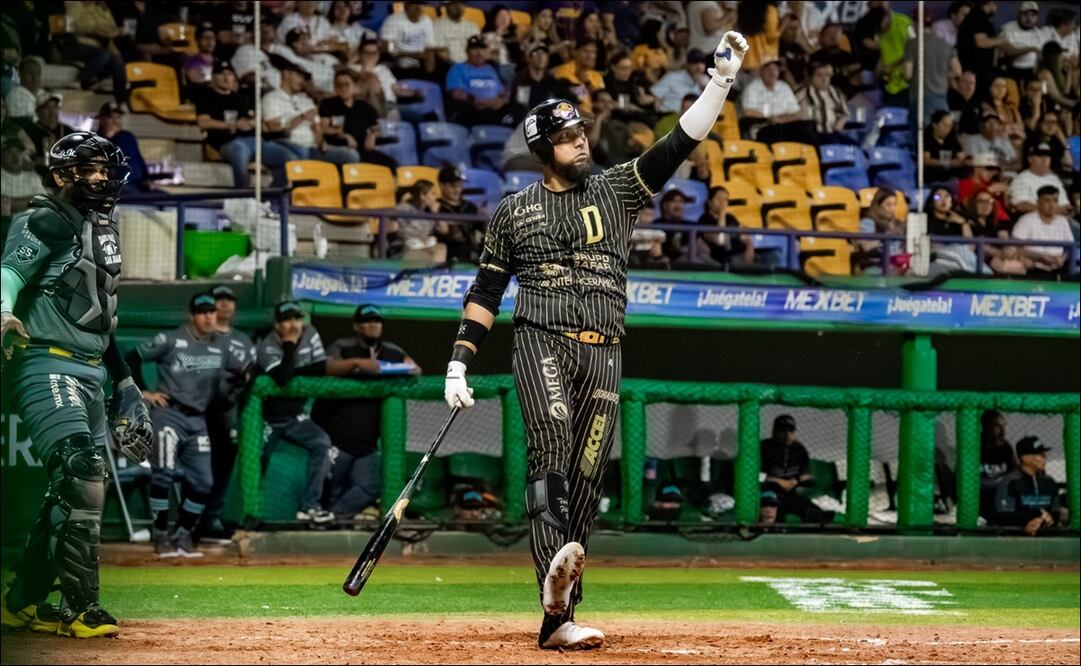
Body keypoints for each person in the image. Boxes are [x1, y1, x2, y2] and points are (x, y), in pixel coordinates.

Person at [442, 31, 749, 650]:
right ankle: (552, 588)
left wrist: (718, 83)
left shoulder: (617, 191)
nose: (580, 141)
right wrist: (458, 363)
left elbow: (679, 143)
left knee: (586, 478)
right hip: (542, 340)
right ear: (543, 150)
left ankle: (559, 615)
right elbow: (485, 293)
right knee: (550, 456)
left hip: (604, 348)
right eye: (566, 138)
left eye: (581, 133)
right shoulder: (513, 212)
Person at [0, 131, 152, 638]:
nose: (102, 178)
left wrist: (125, 382)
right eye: (90, 169)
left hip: (91, 367)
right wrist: (2, 310)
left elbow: (100, 317)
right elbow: (8, 272)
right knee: (83, 470)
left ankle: (20, 601)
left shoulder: (102, 226)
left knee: (69, 488)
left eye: (107, 169)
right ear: (63, 174)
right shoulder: (43, 218)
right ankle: (80, 608)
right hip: (45, 362)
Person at [126, 294, 244, 558]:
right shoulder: (170, 339)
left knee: (204, 482)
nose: (209, 316)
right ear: (191, 316)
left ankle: (184, 534)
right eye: (202, 312)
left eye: (212, 311)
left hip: (198, 419)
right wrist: (143, 391)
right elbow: (131, 356)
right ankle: (161, 535)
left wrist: (242, 378)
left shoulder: (222, 347)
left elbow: (240, 372)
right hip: (169, 414)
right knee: (164, 474)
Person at [312, 304, 419, 521]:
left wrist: (383, 367)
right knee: (329, 488)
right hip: (337, 439)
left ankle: (335, 517)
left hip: (368, 442)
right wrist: (357, 364)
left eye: (376, 321)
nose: (372, 326)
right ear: (357, 326)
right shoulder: (343, 347)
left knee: (370, 487)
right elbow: (325, 367)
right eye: (367, 322)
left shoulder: (391, 351)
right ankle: (324, 517)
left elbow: (415, 369)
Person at [256, 301, 335, 525]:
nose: (293, 325)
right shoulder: (266, 346)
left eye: (297, 319)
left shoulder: (310, 333)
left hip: (295, 415)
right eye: (287, 320)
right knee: (257, 458)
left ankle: (309, 506)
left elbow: (321, 368)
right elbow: (281, 379)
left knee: (322, 443)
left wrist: (292, 371)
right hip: (266, 417)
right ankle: (250, 512)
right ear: (276, 324)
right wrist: (289, 345)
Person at [200, 284, 255, 543]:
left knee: (222, 469)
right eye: (218, 299)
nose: (224, 304)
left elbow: (252, 374)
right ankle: (195, 520)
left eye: (228, 299)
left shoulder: (243, 340)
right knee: (199, 469)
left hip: (231, 411)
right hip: (202, 412)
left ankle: (212, 518)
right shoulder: (201, 336)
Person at [194, 60, 297, 189]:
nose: (226, 78)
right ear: (214, 77)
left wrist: (254, 123)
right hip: (227, 142)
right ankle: (242, 198)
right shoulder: (206, 96)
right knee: (240, 154)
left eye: (229, 74)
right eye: (221, 74)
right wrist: (233, 125)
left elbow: (247, 120)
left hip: (253, 140)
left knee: (290, 158)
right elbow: (203, 123)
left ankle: (272, 198)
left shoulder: (240, 99)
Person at [262, 59, 359, 166]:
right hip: (287, 144)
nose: (302, 81)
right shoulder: (271, 98)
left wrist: (321, 142)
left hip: (312, 148)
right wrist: (302, 117)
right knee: (301, 153)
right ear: (286, 74)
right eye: (299, 76)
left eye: (303, 78)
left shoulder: (306, 100)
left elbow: (316, 127)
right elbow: (274, 129)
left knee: (350, 155)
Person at [758, 414, 832, 526]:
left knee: (814, 513)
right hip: (769, 491)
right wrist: (778, 481)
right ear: (774, 431)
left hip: (791, 492)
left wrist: (795, 481)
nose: (787, 435)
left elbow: (808, 475)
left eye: (791, 431)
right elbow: (753, 474)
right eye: (782, 430)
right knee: (774, 512)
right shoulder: (763, 447)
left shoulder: (799, 449)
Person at [319, 69, 398, 171]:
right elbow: (324, 128)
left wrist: (372, 135)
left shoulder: (365, 107)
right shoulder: (328, 104)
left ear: (355, 86)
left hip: (363, 149)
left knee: (391, 165)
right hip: (340, 147)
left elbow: (376, 128)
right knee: (353, 157)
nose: (342, 88)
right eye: (338, 85)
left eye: (346, 84)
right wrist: (345, 136)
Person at [992, 436, 1062, 535]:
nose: (1045, 458)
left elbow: (1055, 512)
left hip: (1045, 533)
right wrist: (1032, 519)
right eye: (1040, 455)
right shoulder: (1010, 482)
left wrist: (1044, 519)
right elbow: (1004, 515)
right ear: (1026, 458)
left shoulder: (1049, 482)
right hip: (1014, 537)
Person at [446, 35, 517, 128]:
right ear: (467, 51)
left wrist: (502, 101)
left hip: (495, 109)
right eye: (474, 49)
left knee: (519, 111)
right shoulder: (458, 68)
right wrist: (476, 100)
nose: (479, 53)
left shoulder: (490, 69)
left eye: (482, 48)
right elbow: (456, 93)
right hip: (473, 109)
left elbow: (502, 93)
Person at [1011, 185, 1075, 275]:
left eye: (1055, 201)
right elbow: (1015, 247)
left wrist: (1062, 259)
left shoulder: (1063, 221)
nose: (1051, 205)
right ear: (1038, 203)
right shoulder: (1026, 219)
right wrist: (1040, 256)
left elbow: (1070, 246)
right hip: (1033, 268)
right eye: (1047, 200)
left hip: (1058, 268)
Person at [740, 56, 803, 143]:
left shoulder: (784, 87)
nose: (772, 72)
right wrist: (771, 118)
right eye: (768, 68)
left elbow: (796, 113)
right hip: (762, 129)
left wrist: (781, 119)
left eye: (775, 68)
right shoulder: (753, 88)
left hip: (785, 128)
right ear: (761, 71)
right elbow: (748, 112)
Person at [95, 102, 153, 193]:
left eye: (118, 117)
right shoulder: (95, 141)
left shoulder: (127, 137)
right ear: (102, 120)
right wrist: (109, 137)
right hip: (116, 188)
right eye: (111, 117)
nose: (116, 122)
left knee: (166, 198)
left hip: (138, 185)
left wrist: (147, 179)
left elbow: (139, 161)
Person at [698, 185, 754, 270]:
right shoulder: (705, 220)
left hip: (742, 255)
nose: (722, 202)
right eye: (719, 199)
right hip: (724, 259)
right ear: (709, 202)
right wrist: (722, 215)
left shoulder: (731, 217)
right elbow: (720, 240)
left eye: (725, 199)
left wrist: (750, 249)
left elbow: (744, 237)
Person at [796, 60, 851, 143]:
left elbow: (845, 113)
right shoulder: (803, 92)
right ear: (811, 77)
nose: (824, 79)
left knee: (854, 146)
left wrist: (839, 125)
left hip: (833, 132)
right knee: (834, 144)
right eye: (819, 75)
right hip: (813, 134)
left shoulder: (836, 92)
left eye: (827, 75)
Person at [925, 187, 978, 273]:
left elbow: (970, 248)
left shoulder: (961, 219)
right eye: (937, 197)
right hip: (938, 261)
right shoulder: (925, 220)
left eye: (947, 196)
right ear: (932, 202)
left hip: (962, 259)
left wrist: (963, 223)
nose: (943, 200)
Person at [434, 164, 481, 263]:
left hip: (472, 257)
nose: (457, 190)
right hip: (446, 258)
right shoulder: (436, 207)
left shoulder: (470, 207)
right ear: (441, 185)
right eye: (452, 186)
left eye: (460, 185)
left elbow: (482, 229)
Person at [511, 43, 577, 112]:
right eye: (536, 54)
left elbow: (572, 100)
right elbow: (520, 106)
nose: (541, 57)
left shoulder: (551, 81)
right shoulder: (522, 81)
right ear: (529, 59)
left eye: (544, 54)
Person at [1008, 144, 1072, 215]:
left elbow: (1065, 204)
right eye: (1040, 156)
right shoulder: (1021, 179)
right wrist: (1050, 210)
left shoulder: (1054, 179)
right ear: (1030, 159)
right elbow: (1020, 205)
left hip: (1059, 219)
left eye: (1047, 156)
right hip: (1033, 220)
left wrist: (1068, 209)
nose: (1044, 160)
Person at [379, 1, 436, 80]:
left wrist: (430, 74)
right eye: (415, 4)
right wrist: (409, 54)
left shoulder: (426, 21)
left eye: (421, 5)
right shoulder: (393, 20)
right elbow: (387, 47)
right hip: (398, 60)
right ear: (406, 6)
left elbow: (429, 47)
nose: (418, 8)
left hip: (420, 61)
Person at [956, 0, 1005, 91]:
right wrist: (1001, 40)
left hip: (979, 70)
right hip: (974, 71)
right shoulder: (978, 16)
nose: (996, 7)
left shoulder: (978, 16)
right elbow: (981, 42)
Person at [979, 410, 1015, 522]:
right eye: (997, 426)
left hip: (1001, 492)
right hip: (981, 494)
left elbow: (1013, 472)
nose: (1002, 431)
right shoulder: (975, 446)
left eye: (1003, 426)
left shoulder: (1005, 447)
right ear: (987, 426)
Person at [24, 92, 76, 171]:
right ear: (37, 111)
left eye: (55, 107)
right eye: (47, 108)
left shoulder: (68, 131)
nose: (52, 112)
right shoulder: (30, 131)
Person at [551, 38, 605, 114]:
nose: (590, 56)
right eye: (585, 51)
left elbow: (600, 100)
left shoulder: (596, 76)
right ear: (575, 52)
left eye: (593, 52)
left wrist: (587, 83)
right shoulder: (562, 73)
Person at [651, 48, 708, 114]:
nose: (699, 66)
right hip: (669, 115)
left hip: (692, 118)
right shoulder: (672, 77)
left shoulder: (707, 82)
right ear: (687, 64)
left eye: (702, 62)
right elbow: (656, 97)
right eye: (694, 62)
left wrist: (703, 87)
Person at [1000, 1, 1045, 81]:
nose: (1029, 19)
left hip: (1032, 70)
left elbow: (1040, 57)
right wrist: (1031, 49)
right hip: (1013, 69)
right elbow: (1009, 52)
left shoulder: (1038, 33)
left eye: (1033, 15)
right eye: (1025, 14)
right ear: (1019, 15)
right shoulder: (1009, 28)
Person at [0, 137, 46, 215]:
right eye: (9, 152)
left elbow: (45, 202)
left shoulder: (33, 176)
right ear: (2, 155)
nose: (15, 157)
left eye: (18, 152)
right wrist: (36, 199)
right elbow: (6, 205)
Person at [922, 110, 967, 185]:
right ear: (935, 125)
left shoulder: (952, 139)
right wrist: (948, 163)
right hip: (931, 178)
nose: (948, 129)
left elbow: (961, 157)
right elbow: (925, 160)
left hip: (951, 178)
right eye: (945, 125)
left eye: (950, 126)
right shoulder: (926, 138)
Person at [433, 0, 480, 66]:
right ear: (447, 6)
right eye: (454, 4)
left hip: (470, 65)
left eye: (461, 4)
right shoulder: (437, 25)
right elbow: (441, 52)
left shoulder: (472, 26)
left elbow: (476, 48)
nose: (458, 7)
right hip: (448, 66)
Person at [949, 70, 983, 137]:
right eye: (965, 82)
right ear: (957, 83)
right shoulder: (950, 101)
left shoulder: (977, 103)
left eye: (972, 83)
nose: (969, 86)